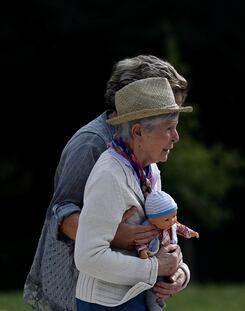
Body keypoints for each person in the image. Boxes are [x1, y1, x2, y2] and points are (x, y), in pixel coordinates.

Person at [24, 55, 190, 311]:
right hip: (84, 283)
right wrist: (117, 236)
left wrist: (176, 267)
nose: (175, 133)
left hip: (126, 283)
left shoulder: (147, 160)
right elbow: (63, 211)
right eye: (166, 111)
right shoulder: (93, 144)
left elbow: (155, 220)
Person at [74, 77, 193, 310]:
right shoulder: (109, 175)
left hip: (137, 298)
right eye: (169, 128)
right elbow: (88, 258)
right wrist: (155, 268)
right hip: (105, 305)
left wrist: (179, 271)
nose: (176, 136)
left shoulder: (149, 169)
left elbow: (161, 232)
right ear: (138, 132)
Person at [135, 190, 199, 259]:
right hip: (155, 255)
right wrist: (143, 251)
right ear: (152, 220)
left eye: (174, 216)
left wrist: (191, 233)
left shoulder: (173, 225)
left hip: (170, 251)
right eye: (166, 220)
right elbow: (140, 241)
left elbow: (182, 228)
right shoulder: (147, 229)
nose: (171, 221)